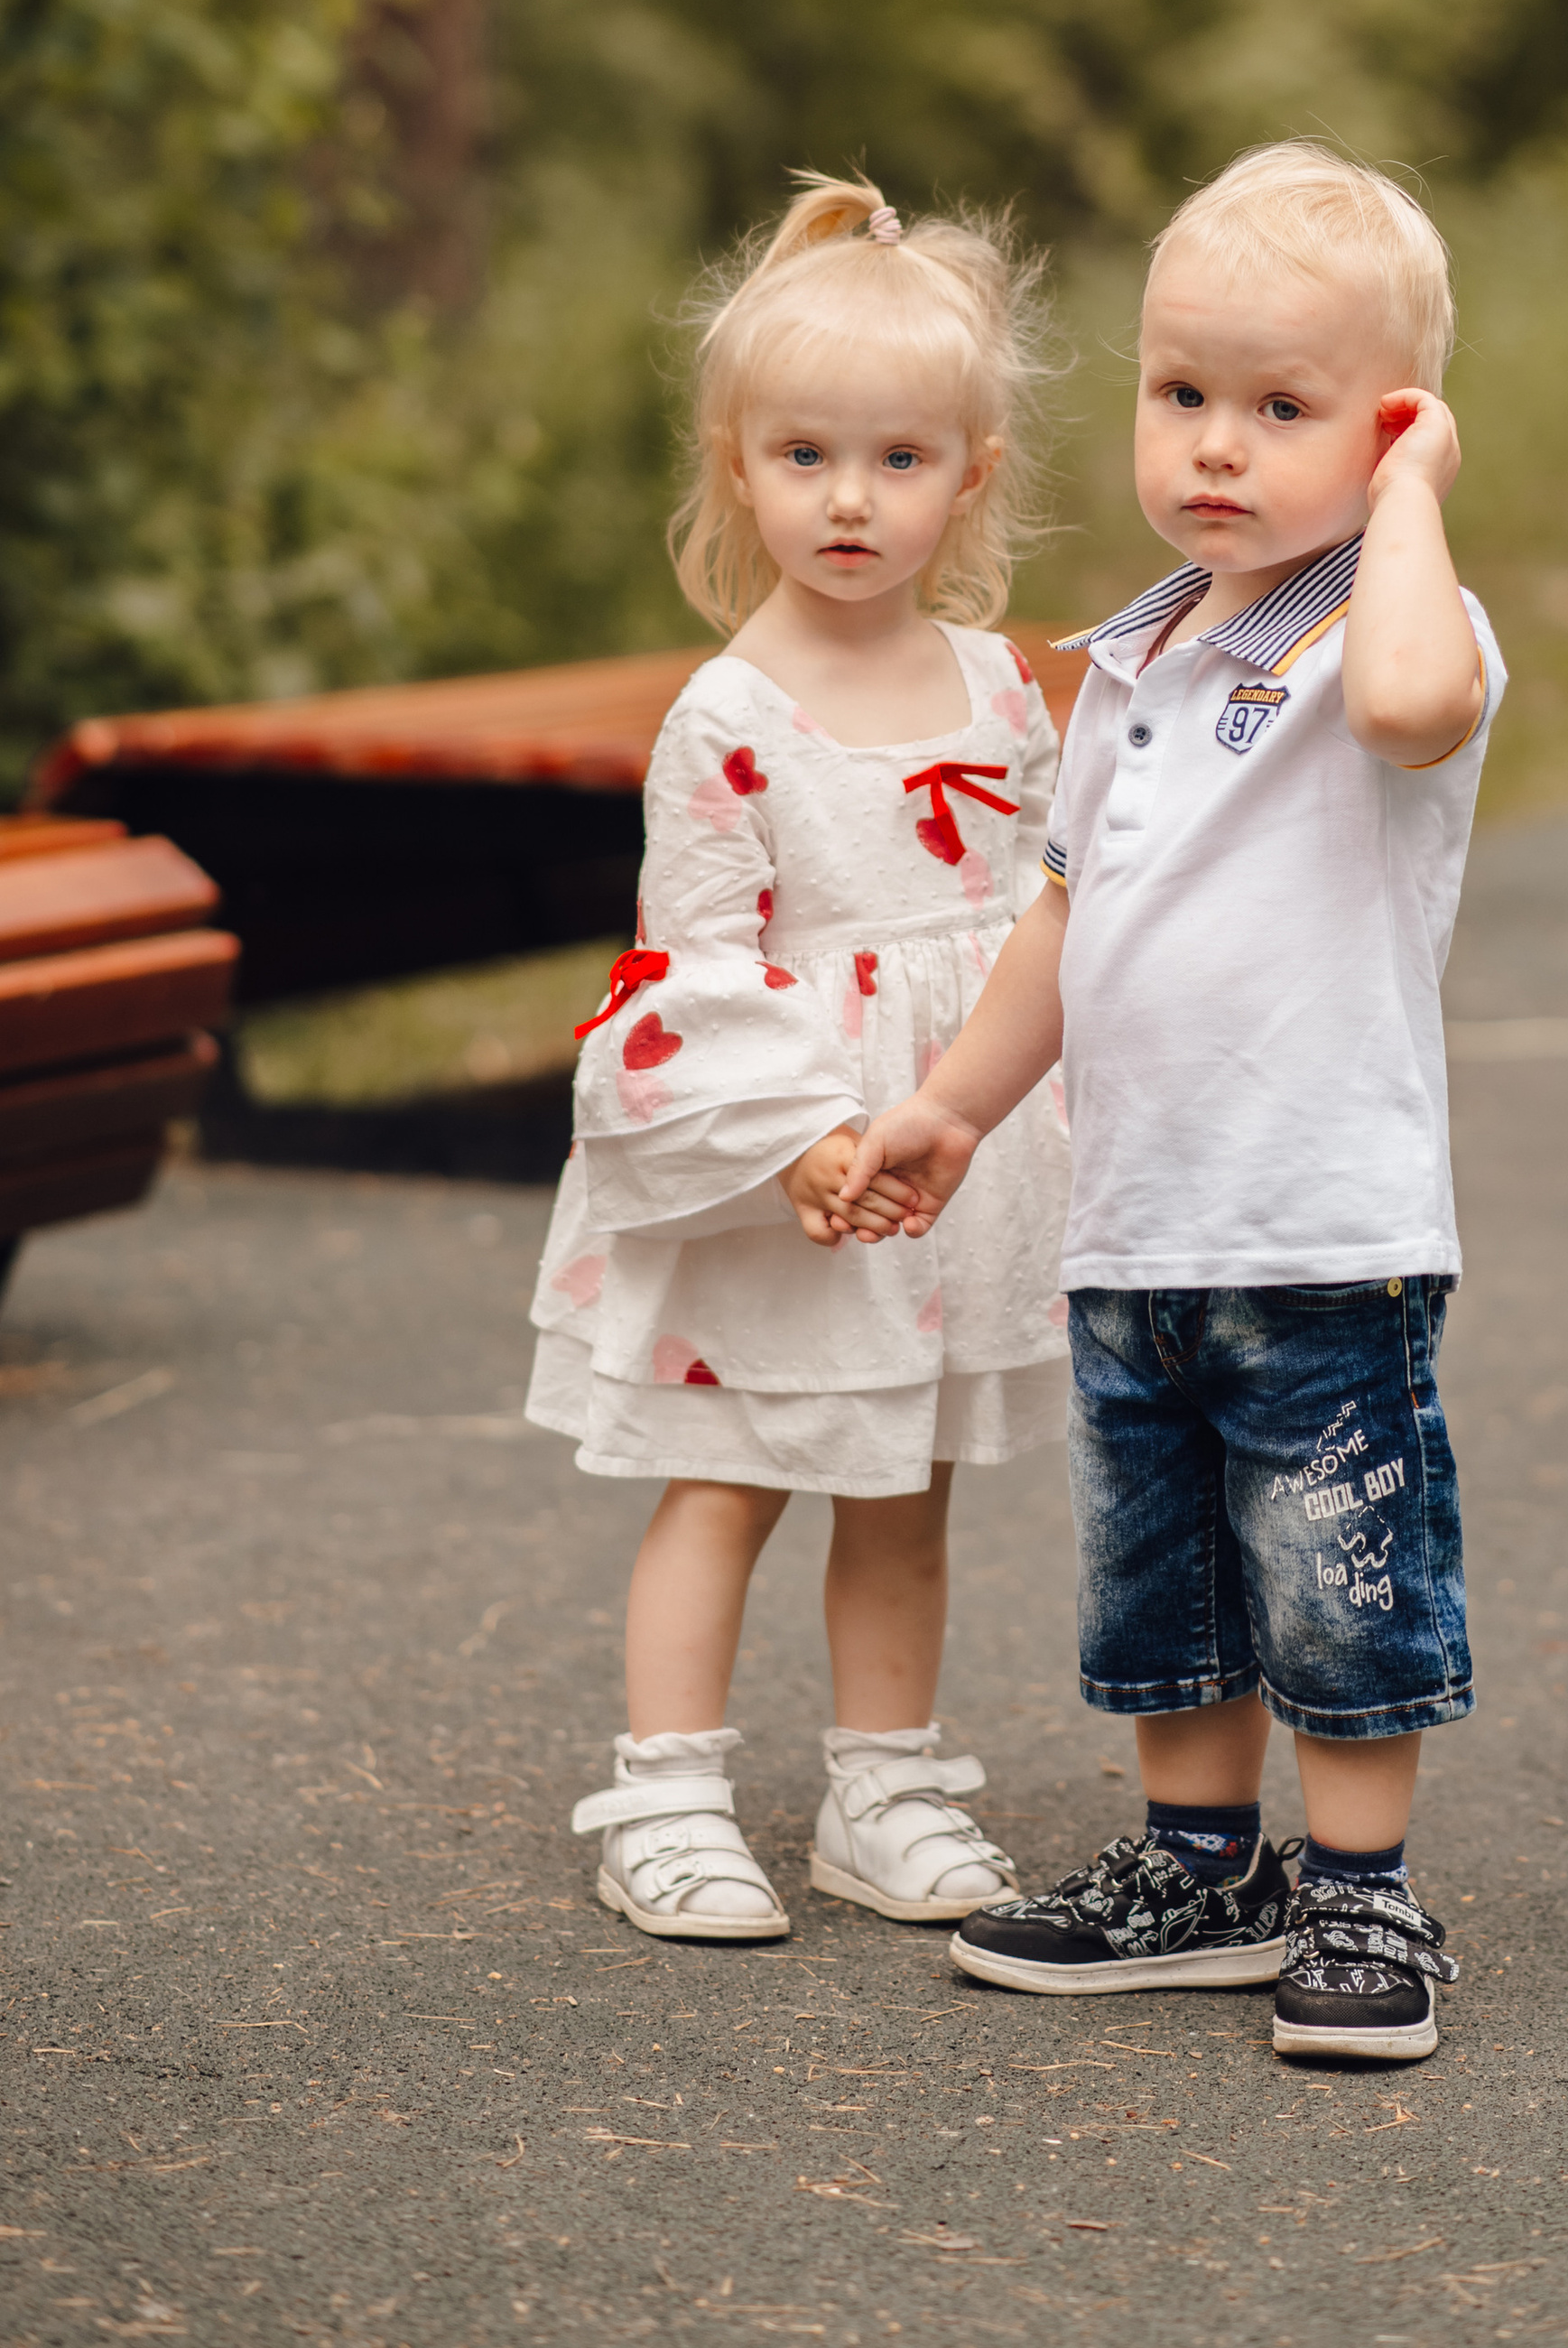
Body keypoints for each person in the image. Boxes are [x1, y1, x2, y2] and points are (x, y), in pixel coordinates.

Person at [837, 140, 1502, 2064]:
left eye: (1279, 411)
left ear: (1384, 436)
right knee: (1164, 1581)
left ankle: (1363, 1890)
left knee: (1337, 1561)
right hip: (1134, 1221)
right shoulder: (1127, 660)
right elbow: (1067, 906)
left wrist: (1410, 497)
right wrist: (960, 1106)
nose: (1214, 445)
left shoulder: (1399, 632)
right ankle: (1197, 1864)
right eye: (1180, 394)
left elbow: (1395, 714)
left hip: (1317, 1228)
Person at [526, 175, 1072, 1943]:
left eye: (900, 460)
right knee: (736, 1467)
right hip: (787, 1161)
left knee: (903, 1476)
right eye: (805, 456)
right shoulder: (731, 718)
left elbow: (1046, 921)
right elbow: (684, 971)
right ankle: (668, 1793)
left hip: (944, 1157)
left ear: (971, 474)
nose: (850, 499)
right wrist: (796, 1146)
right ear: (733, 462)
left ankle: (884, 1787)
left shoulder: (1000, 691)